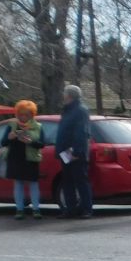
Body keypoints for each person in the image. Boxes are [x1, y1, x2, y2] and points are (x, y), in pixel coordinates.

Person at [0, 100, 44, 219]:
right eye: (20, 114)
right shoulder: (11, 125)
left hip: (31, 159)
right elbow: (3, 142)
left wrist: (30, 142)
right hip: (15, 158)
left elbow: (42, 144)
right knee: (18, 184)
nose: (23, 117)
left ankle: (36, 209)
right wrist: (9, 138)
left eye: (26, 114)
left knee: (33, 184)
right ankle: (19, 209)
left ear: (32, 115)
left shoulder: (38, 126)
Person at [55, 84, 92, 218]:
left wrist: (77, 152)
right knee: (68, 181)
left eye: (65, 93)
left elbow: (81, 132)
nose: (63, 95)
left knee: (81, 181)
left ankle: (86, 209)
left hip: (76, 152)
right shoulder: (67, 110)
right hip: (65, 152)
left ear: (69, 95)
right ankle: (70, 209)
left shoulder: (80, 110)